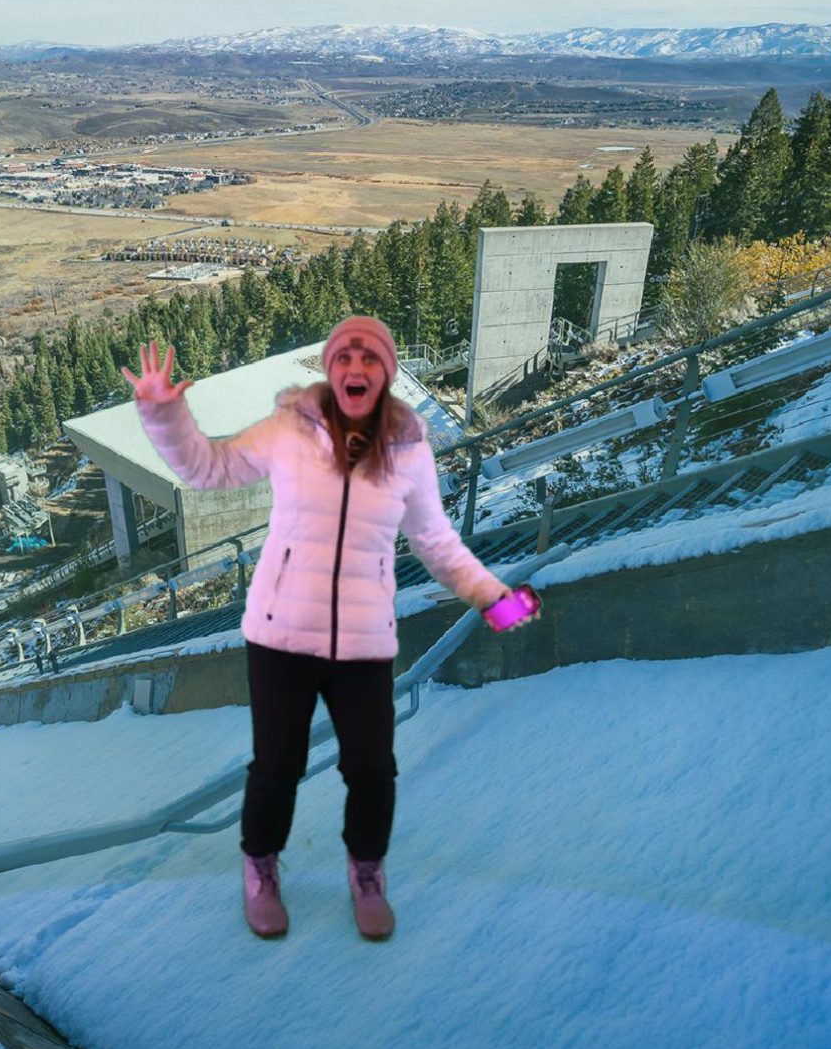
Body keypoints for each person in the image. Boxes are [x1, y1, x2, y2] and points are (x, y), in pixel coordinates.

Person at [125, 315, 534, 941]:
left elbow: (436, 542)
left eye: (371, 357)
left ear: (387, 374)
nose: (356, 367)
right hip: (280, 633)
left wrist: (494, 598)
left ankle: (365, 872)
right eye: (344, 356)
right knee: (277, 767)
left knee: (373, 769)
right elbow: (210, 467)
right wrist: (163, 416)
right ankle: (260, 867)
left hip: (365, 641)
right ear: (330, 368)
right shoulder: (290, 429)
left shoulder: (408, 451)